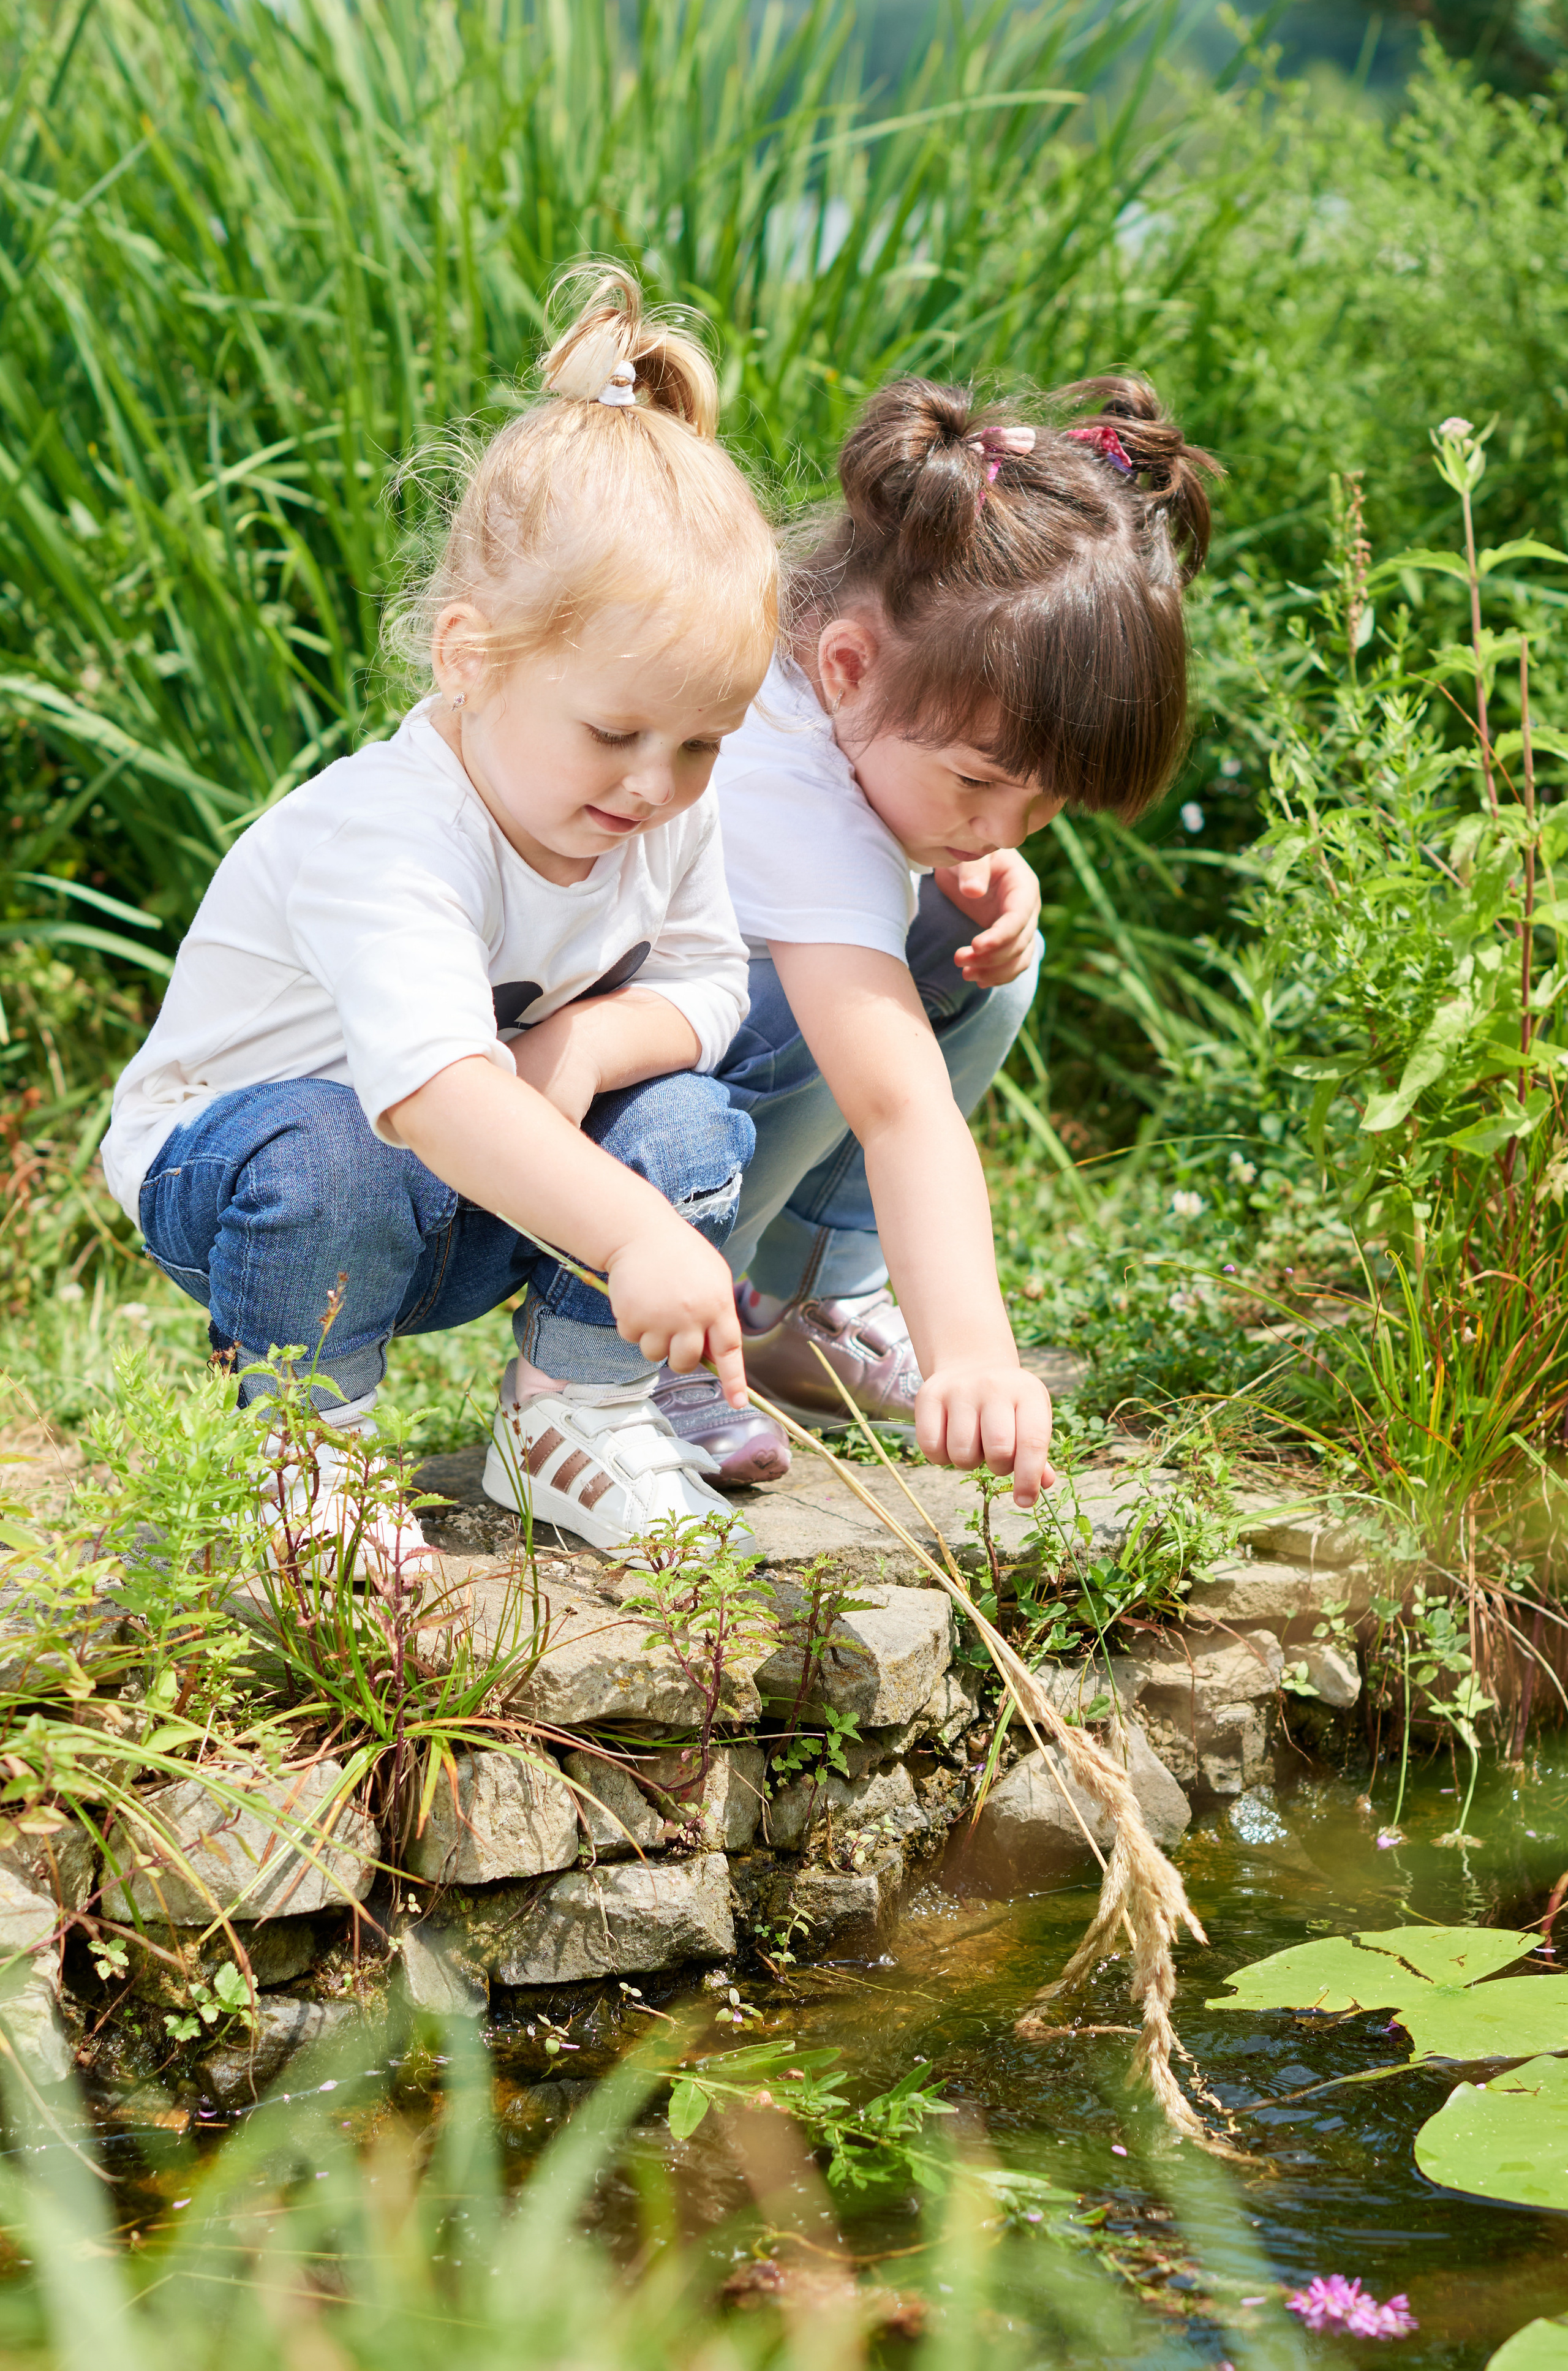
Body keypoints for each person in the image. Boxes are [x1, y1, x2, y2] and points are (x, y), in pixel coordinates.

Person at [100, 268, 780, 1567]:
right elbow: (425, 1098)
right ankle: (307, 1449)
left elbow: (709, 982)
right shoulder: (390, 831)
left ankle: (573, 1418)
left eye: (703, 741)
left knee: (689, 1114)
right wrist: (633, 1230)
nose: (658, 782)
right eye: (614, 731)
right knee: (334, 1140)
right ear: (468, 657)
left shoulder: (662, 809)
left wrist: (581, 1050)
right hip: (255, 1185)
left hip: (470, 1199)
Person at [656, 374, 1219, 1503]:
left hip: (627, 1062)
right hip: (559, 1118)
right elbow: (898, 1105)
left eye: (1043, 807)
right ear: (849, 665)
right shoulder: (786, 789)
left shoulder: (844, 690)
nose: (1003, 831)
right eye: (979, 784)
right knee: (847, 1032)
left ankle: (806, 1305)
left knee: (983, 965)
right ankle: (658, 1344)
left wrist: (971, 849)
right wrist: (974, 1352)